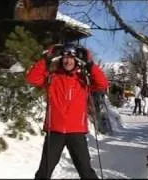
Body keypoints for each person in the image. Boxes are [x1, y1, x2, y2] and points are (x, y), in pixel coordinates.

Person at [26, 44, 109, 179]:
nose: (68, 61)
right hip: (55, 132)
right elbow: (32, 78)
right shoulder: (53, 77)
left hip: (76, 132)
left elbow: (102, 84)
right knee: (43, 173)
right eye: (65, 58)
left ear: (76, 60)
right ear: (60, 59)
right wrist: (46, 59)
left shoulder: (83, 80)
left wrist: (90, 64)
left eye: (71, 58)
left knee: (86, 172)